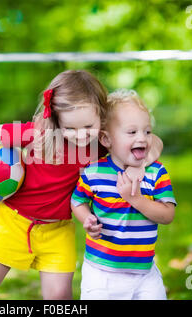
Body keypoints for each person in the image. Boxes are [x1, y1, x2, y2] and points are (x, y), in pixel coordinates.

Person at [0, 71, 162, 300]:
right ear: (56, 120)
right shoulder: (38, 134)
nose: (81, 134)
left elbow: (152, 142)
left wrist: (138, 165)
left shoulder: (101, 144)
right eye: (70, 128)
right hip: (13, 222)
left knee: (59, 297)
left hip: (58, 231)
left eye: (88, 126)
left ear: (101, 117)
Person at [71, 88, 176, 300]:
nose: (143, 138)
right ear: (106, 139)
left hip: (144, 273)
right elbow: (77, 201)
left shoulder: (156, 172)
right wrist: (87, 219)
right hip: (101, 272)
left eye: (147, 131)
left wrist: (135, 199)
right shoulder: (94, 172)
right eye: (132, 132)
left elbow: (167, 215)